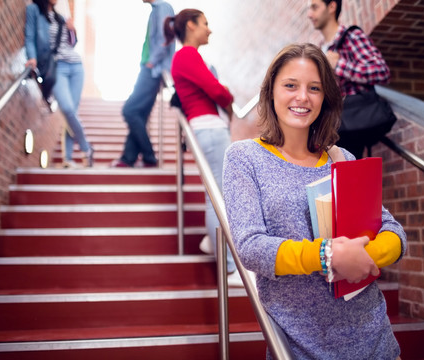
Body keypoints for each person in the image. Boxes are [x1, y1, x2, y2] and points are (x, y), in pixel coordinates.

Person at [222, 43, 406, 359]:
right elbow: (251, 246)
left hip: (376, 342)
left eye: (315, 88)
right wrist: (328, 256)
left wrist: (358, 256)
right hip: (301, 347)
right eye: (291, 85)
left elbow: (395, 234)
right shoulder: (244, 158)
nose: (302, 97)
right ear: (271, 92)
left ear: (325, 99)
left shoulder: (341, 158)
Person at [164, 9, 242, 287]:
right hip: (209, 129)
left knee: (216, 195)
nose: (209, 30)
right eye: (205, 24)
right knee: (218, 199)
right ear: (191, 25)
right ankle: (231, 269)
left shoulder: (187, 56)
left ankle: (214, 242)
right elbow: (217, 91)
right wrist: (229, 95)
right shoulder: (186, 55)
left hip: (207, 130)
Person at [308, 0, 391, 159]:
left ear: (332, 6)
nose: (309, 14)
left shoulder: (351, 37)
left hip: (352, 125)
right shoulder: (320, 49)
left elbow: (381, 71)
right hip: (331, 128)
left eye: (315, 7)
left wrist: (339, 64)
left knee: (349, 176)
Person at [25, 0, 94, 168]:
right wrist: (31, 57)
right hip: (57, 68)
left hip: (76, 66)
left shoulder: (60, 17)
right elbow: (30, 36)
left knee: (72, 114)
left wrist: (73, 31)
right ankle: (86, 148)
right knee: (68, 109)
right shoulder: (34, 11)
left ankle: (68, 159)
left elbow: (70, 44)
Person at [111, 0, 175, 168]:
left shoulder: (162, 8)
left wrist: (151, 63)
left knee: (129, 110)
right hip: (151, 68)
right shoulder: (156, 10)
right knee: (139, 113)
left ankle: (149, 156)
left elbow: (164, 38)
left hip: (152, 70)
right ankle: (129, 158)